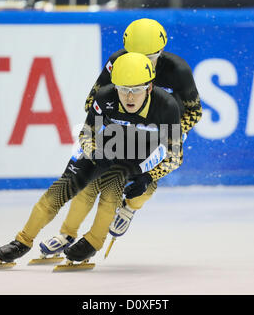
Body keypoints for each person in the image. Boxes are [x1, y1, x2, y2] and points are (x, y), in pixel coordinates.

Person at [0, 52, 183, 264]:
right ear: (114, 87)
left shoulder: (167, 106)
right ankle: (22, 240)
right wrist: (94, 153)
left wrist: (148, 176)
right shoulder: (104, 96)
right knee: (66, 188)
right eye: (123, 90)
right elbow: (86, 133)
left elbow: (174, 156)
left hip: (140, 156)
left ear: (149, 88)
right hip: (107, 146)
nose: (130, 97)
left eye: (137, 90)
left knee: (113, 190)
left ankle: (95, 240)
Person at [39, 18, 202, 258]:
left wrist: (169, 130)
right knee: (92, 176)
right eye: (132, 57)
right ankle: (68, 233)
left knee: (146, 174)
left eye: (149, 60)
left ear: (162, 52)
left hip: (162, 127)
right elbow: (91, 102)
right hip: (123, 125)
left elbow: (195, 113)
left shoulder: (179, 70)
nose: (138, 66)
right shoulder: (117, 62)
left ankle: (129, 208)